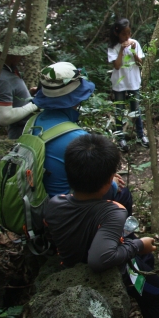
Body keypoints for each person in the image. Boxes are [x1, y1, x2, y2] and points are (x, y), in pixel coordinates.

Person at [44, 134, 159, 318]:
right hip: (110, 269)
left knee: (146, 260)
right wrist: (138, 245)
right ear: (106, 183)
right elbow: (99, 259)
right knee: (158, 294)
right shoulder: (113, 212)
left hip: (71, 261)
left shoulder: (55, 203)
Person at [30, 61, 133, 212]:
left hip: (37, 204)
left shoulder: (33, 122)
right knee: (123, 194)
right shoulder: (77, 139)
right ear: (76, 98)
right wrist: (114, 182)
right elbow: (97, 189)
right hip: (67, 211)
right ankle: (121, 235)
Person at [0, 28, 40, 139]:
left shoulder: (2, 68)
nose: (22, 56)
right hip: (22, 135)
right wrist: (36, 103)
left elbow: (10, 96)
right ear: (9, 53)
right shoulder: (1, 78)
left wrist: (28, 96)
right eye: (19, 53)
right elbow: (4, 118)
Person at [108, 18, 148, 152]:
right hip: (119, 83)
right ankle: (121, 138)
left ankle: (141, 135)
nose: (127, 37)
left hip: (133, 82)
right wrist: (121, 50)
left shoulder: (135, 43)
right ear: (117, 33)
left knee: (136, 110)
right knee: (119, 111)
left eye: (129, 33)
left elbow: (140, 64)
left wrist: (133, 51)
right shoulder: (113, 47)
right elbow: (117, 66)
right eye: (124, 34)